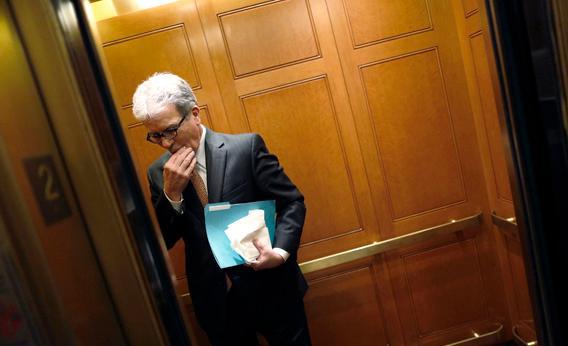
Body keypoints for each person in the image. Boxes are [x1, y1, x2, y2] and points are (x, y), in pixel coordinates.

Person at [132, 72, 311, 346]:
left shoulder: (245, 148)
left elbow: (292, 202)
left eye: (170, 130)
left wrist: (281, 252)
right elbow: (165, 240)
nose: (166, 143)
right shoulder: (159, 173)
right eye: (155, 136)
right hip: (216, 301)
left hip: (270, 285)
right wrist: (171, 195)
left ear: (195, 114)